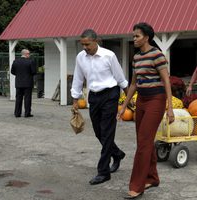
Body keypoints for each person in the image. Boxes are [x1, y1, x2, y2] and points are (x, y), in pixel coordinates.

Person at [117, 23, 174, 199]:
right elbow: (134, 83)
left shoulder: (157, 55)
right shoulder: (136, 58)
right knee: (144, 141)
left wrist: (170, 108)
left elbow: (166, 81)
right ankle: (152, 177)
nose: (134, 39)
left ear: (146, 37)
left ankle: (137, 185)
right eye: (133, 36)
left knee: (143, 142)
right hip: (141, 100)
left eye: (137, 36)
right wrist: (124, 105)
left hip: (156, 100)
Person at [71, 29, 128, 185]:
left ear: (96, 41)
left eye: (87, 44)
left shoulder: (109, 56)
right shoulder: (80, 57)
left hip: (110, 95)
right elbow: (78, 78)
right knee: (98, 132)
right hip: (94, 97)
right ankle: (116, 153)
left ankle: (103, 172)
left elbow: (120, 78)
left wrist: (128, 100)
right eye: (82, 44)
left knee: (107, 132)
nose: (85, 47)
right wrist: (75, 100)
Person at [11, 49, 37, 118]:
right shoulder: (31, 61)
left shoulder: (15, 61)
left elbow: (12, 72)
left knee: (18, 98)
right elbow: (34, 72)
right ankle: (27, 113)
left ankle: (17, 113)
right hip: (28, 83)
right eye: (29, 53)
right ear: (26, 54)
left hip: (18, 83)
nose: (29, 55)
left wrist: (19, 75)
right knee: (27, 99)